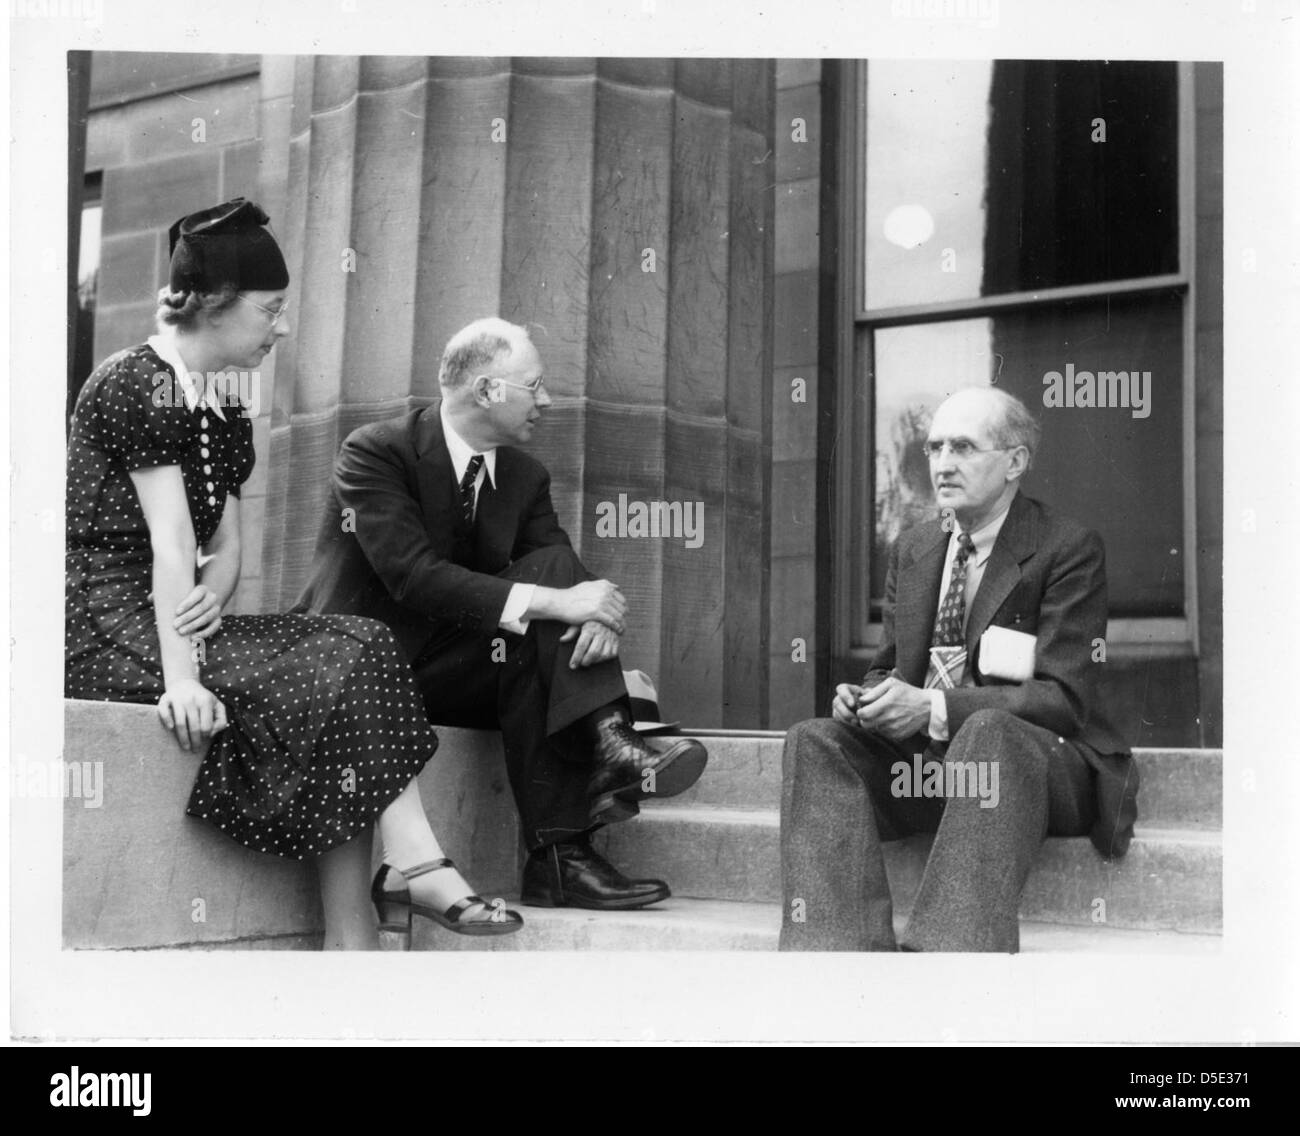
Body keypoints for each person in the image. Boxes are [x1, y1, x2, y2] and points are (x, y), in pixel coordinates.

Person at [65, 198, 521, 950]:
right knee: (335, 667)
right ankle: (401, 883)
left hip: (164, 615)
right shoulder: (137, 382)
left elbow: (227, 553)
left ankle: (367, 921)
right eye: (270, 309)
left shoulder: (225, 404)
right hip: (99, 627)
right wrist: (183, 678)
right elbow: (172, 544)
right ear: (213, 305)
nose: (281, 326)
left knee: (359, 644)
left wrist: (210, 603)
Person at [295, 317, 709, 910]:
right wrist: (565, 601)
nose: (547, 400)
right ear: (487, 390)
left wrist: (591, 612)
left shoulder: (523, 474)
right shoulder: (376, 452)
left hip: (456, 669)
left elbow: (559, 566)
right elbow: (414, 576)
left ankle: (566, 845)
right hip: (368, 674)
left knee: (553, 589)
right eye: (534, 385)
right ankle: (607, 751)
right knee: (550, 601)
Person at [779, 386, 1139, 952]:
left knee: (989, 730)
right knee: (814, 741)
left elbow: (1064, 699)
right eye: (935, 448)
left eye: (964, 448)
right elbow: (889, 670)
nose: (943, 464)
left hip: (1034, 771)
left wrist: (934, 708)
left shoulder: (1065, 547)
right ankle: (835, 957)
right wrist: (866, 699)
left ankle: (952, 959)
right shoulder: (916, 547)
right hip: (931, 773)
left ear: (1015, 461)